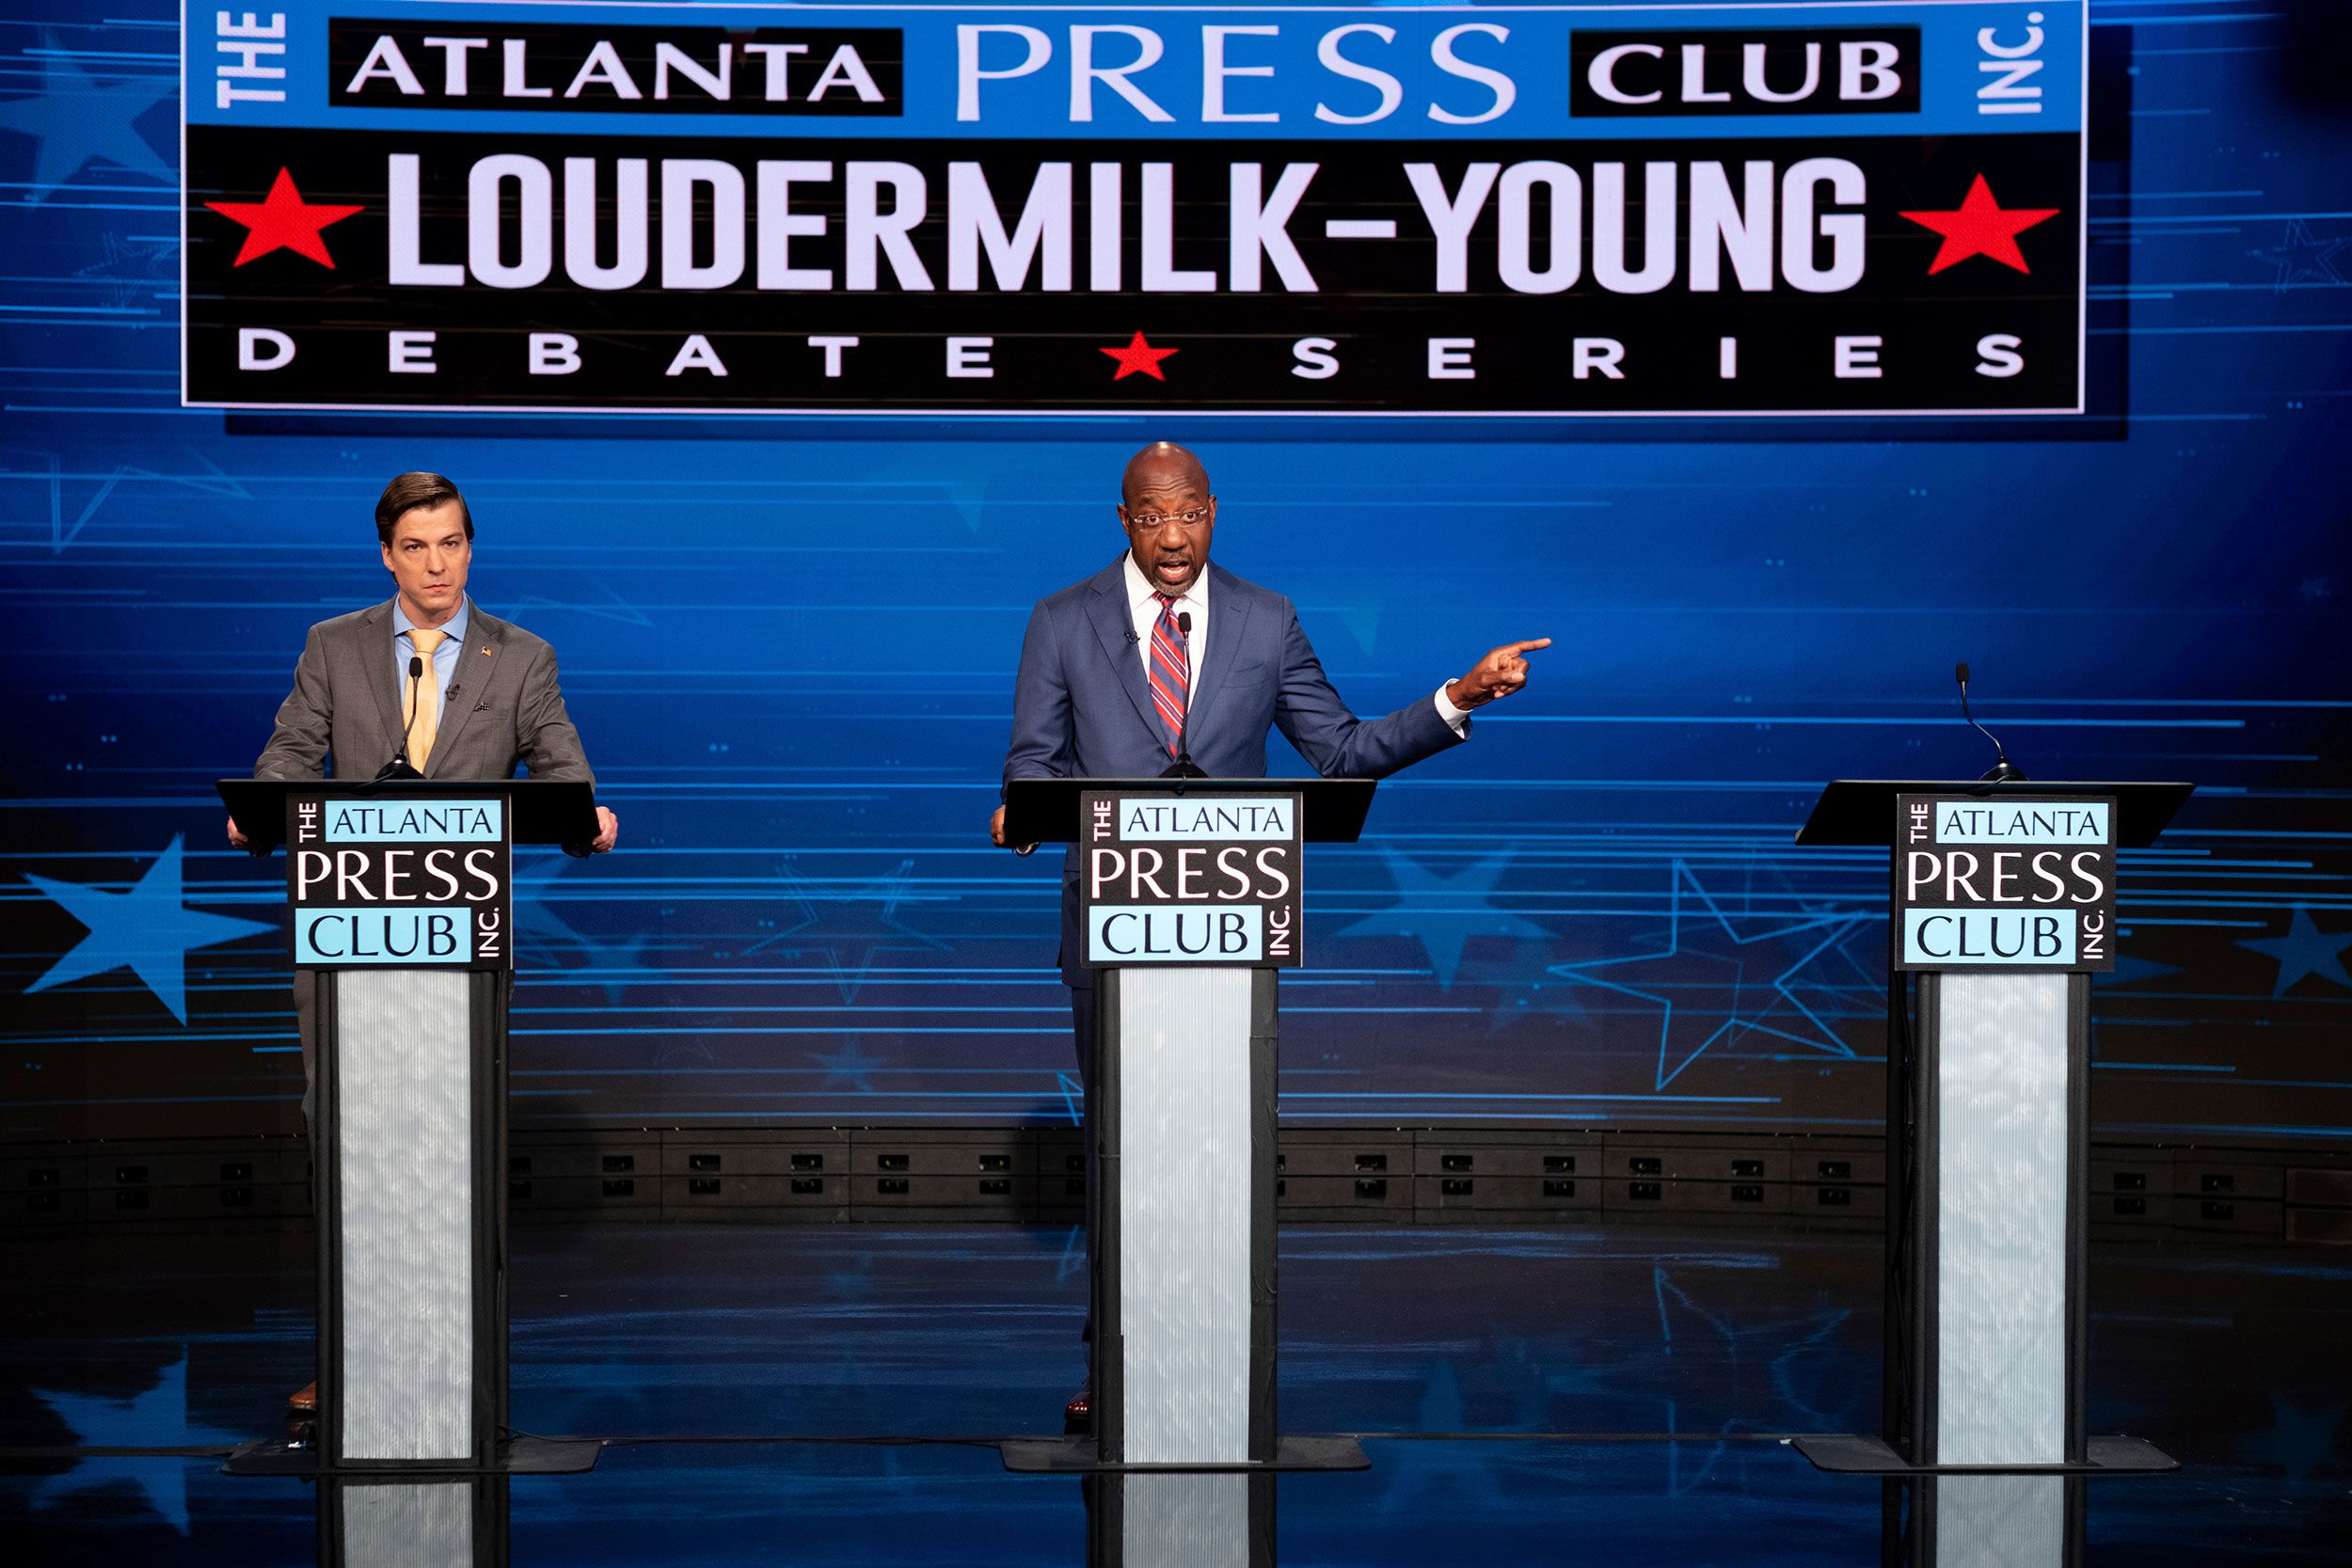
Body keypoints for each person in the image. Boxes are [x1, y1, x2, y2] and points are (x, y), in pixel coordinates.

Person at [990, 441, 1548, 1429]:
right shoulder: (1061, 619)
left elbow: (1339, 750)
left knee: (1214, 1147)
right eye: (1152, 517)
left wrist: (1455, 698)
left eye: (1188, 514)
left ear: (1213, 510)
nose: (1172, 536)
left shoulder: (1265, 616)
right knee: (1122, 1150)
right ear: (1124, 520)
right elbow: (1033, 765)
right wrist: (1025, 811)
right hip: (1113, 928)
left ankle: (1218, 1356)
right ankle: (1116, 1362)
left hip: (1228, 927)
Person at [230, 470, 617, 1416]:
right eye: (415, 546)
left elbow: (562, 769)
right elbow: (287, 760)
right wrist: (263, 811)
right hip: (349, 934)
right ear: (386, 555)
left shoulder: (521, 656)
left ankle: (460, 1354)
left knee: (457, 1140)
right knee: (349, 1132)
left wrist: (587, 818)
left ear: (470, 547)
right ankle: (355, 1355)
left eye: (450, 542)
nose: (435, 563)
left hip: (462, 943)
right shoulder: (335, 646)